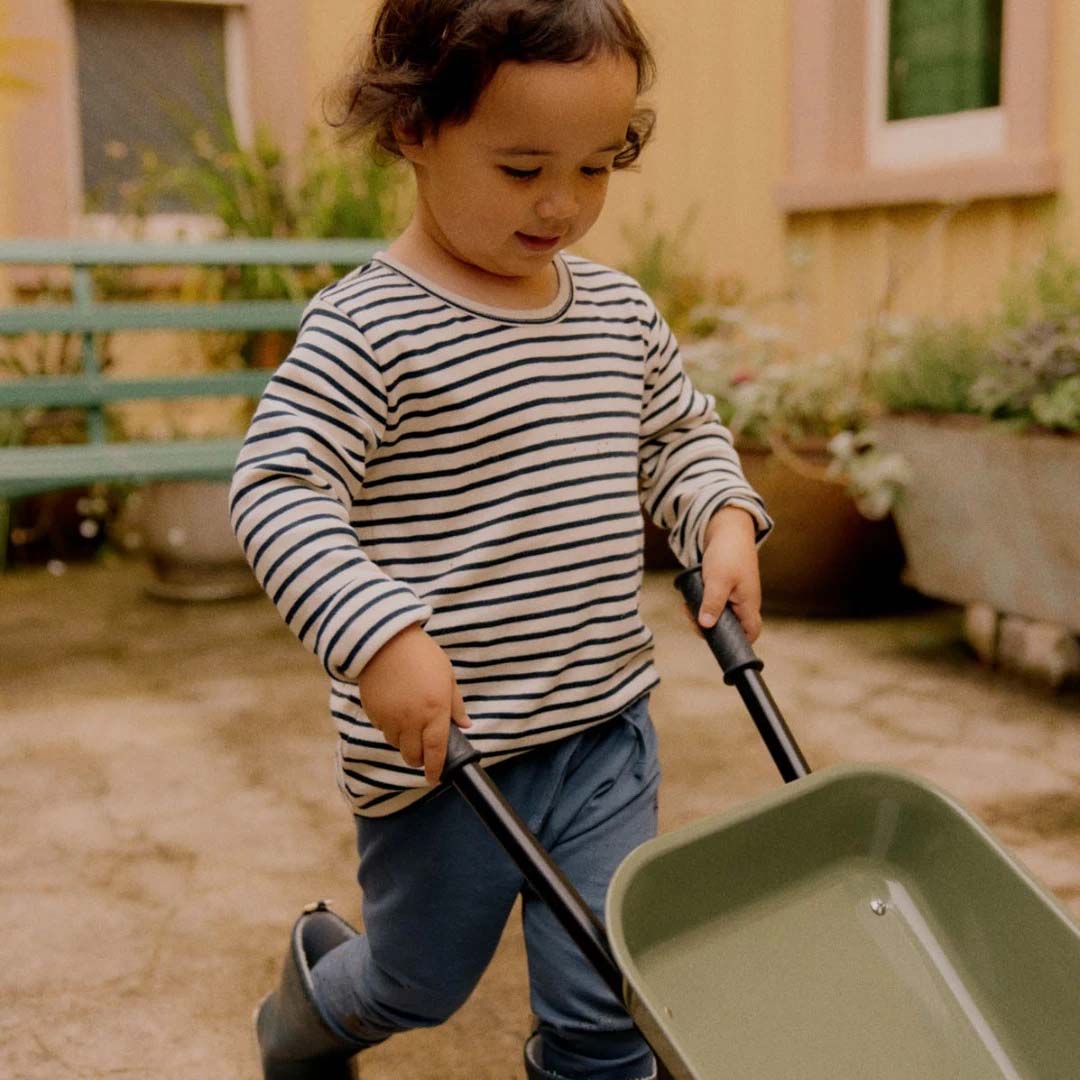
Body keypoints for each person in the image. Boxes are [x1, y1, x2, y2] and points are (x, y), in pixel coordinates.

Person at [231, 2, 771, 1077]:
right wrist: (379, 640)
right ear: (414, 130)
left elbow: (678, 435)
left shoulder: (617, 315)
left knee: (612, 1002)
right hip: (450, 759)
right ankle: (312, 998)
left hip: (604, 731)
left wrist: (717, 512)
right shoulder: (370, 328)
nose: (563, 204)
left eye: (597, 166)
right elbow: (278, 486)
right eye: (523, 168)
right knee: (417, 983)